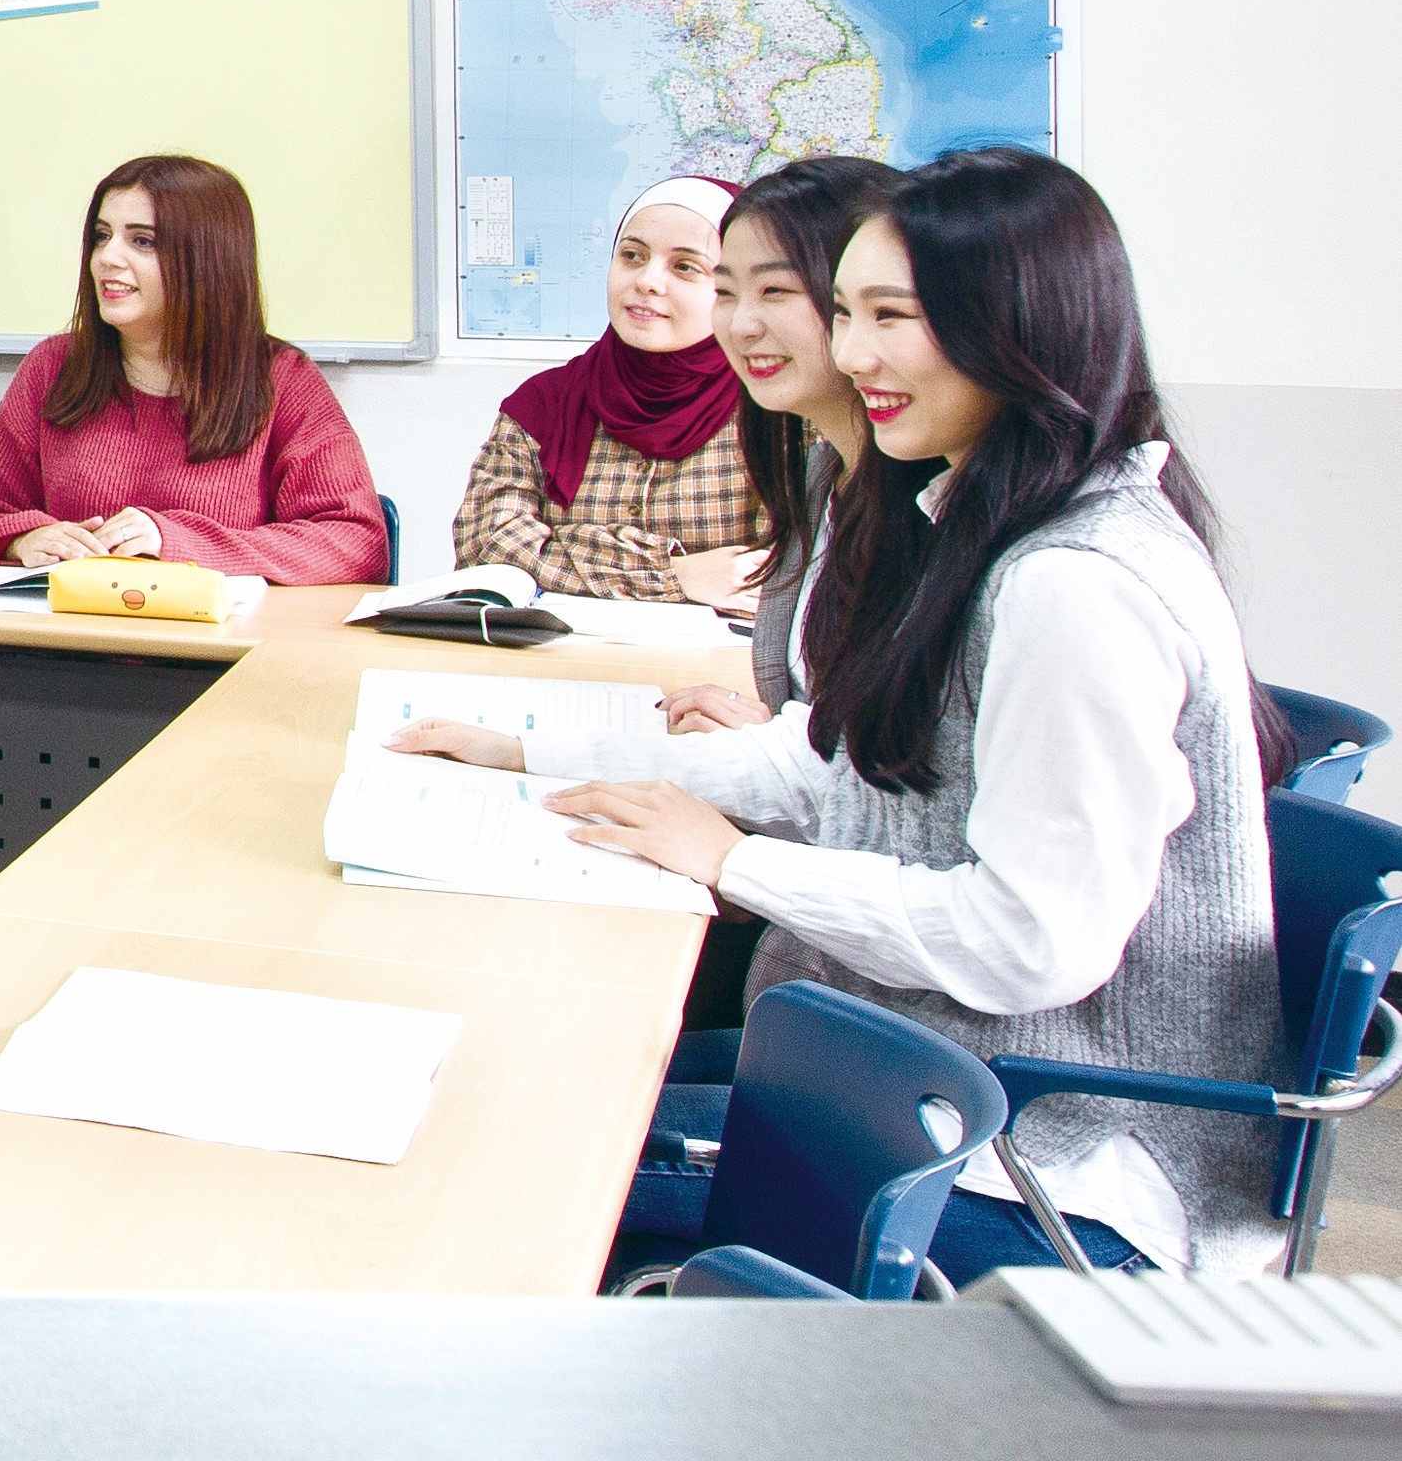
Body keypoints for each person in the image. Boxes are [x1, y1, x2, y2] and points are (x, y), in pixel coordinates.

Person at [394, 147, 1284, 1279]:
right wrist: (527, 751)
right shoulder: (984, 518)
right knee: (529, 1075)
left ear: (1019, 325)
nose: (850, 352)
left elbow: (1028, 940)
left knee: (507, 1148)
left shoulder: (1071, 582)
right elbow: (841, 763)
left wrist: (732, 862)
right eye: (846, 312)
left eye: (889, 316)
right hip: (927, 1088)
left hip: (1043, 1173)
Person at [0, 155, 387, 582]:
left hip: (211, 656)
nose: (107, 258)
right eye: (101, 235)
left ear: (206, 259)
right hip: (65, 649)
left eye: (142, 241)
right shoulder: (53, 367)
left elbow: (356, 542)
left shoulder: (281, 380)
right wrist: (24, 539)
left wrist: (177, 542)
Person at [659, 157, 905, 738]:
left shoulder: (928, 506)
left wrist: (766, 752)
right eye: (725, 292)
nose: (741, 324)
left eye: (776, 290)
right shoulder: (822, 474)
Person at [454, 178, 774, 603]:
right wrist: (675, 574)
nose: (647, 281)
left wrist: (557, 547)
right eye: (632, 256)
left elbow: (775, 573)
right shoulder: (543, 404)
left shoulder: (775, 410)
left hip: (718, 667)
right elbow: (486, 547)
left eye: (684, 267)